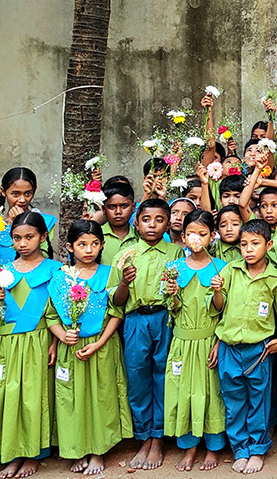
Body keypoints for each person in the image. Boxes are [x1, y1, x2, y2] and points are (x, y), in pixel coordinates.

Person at [47, 221, 131, 476]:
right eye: (82, 244)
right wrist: (62, 336)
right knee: (72, 398)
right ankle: (77, 447)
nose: (88, 249)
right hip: (70, 348)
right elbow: (51, 315)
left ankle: (98, 450)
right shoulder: (60, 277)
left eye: (95, 244)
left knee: (101, 396)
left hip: (101, 346)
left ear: (102, 245)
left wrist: (100, 342)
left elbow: (117, 312)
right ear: (70, 247)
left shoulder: (108, 274)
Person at [0, 213, 59, 479]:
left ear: (43, 237)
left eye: (29, 237)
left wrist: (54, 342)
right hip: (6, 341)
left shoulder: (54, 269)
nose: (22, 243)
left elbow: (57, 311)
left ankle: (33, 454)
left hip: (37, 340)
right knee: (6, 397)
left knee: (33, 398)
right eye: (16, 238)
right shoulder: (4, 272)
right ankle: (11, 453)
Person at [214, 219, 277, 475]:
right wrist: (216, 291)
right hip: (229, 347)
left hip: (258, 350)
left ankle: (258, 449)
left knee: (258, 400)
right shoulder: (229, 271)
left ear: (268, 245)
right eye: (244, 244)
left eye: (255, 244)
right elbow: (218, 308)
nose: (248, 249)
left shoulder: (275, 279)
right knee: (234, 400)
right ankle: (240, 449)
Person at [110, 199, 183, 470]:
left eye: (159, 220)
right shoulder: (126, 255)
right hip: (135, 321)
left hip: (165, 318)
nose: (152, 225)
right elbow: (117, 301)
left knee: (163, 376)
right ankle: (143, 436)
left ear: (167, 224)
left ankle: (159, 437)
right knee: (138, 377)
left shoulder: (176, 253)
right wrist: (125, 282)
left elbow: (181, 294)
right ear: (136, 222)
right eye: (146, 220)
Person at [163, 211, 227, 472]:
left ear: (212, 237)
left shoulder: (221, 268)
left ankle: (213, 448)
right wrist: (173, 294)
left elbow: (224, 311)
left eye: (202, 234)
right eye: (191, 233)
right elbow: (173, 309)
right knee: (184, 393)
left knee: (211, 394)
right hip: (182, 341)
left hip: (209, 340)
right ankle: (189, 447)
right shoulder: (174, 269)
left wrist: (218, 291)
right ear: (182, 236)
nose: (196, 238)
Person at [0, 168, 58, 264]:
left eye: (28, 193)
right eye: (15, 194)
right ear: (3, 192)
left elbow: (44, 256)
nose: (22, 200)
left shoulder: (45, 222)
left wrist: (22, 222)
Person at [99, 180, 138, 267]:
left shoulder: (140, 236)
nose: (118, 212)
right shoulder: (96, 235)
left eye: (124, 206)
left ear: (133, 207)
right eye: (112, 207)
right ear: (104, 209)